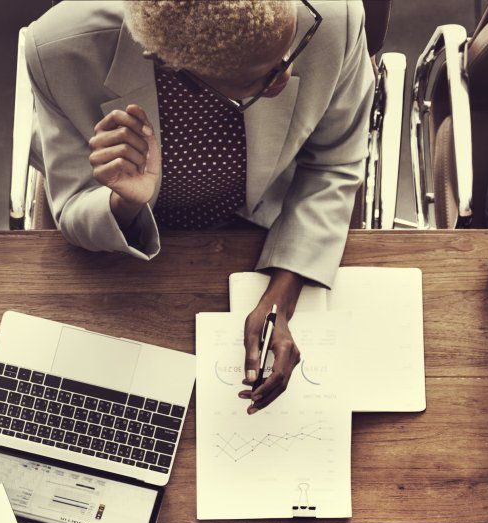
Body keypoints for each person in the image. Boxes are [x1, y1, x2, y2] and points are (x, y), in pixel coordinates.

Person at [24, 0, 372, 411]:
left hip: (266, 223)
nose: (288, 74)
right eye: (261, 78)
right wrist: (124, 202)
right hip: (127, 258)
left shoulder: (335, 16)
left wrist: (282, 296)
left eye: (292, 46)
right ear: (172, 66)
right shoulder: (57, 50)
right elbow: (73, 206)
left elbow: (334, 163)